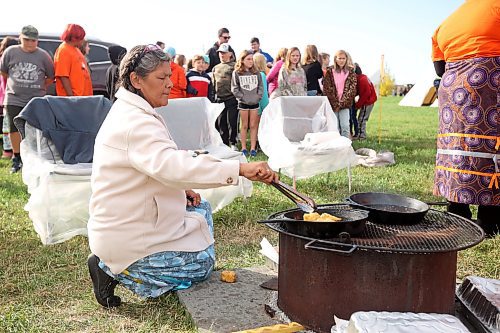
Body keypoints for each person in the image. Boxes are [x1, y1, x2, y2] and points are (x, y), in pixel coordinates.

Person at [86, 44, 278, 308]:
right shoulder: (135, 122)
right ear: (136, 80)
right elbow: (172, 165)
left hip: (136, 220)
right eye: (161, 78)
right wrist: (239, 169)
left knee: (201, 210)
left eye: (170, 76)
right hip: (126, 235)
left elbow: (154, 165)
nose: (170, 83)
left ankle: (119, 261)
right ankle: (112, 268)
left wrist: (182, 189)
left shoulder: (133, 112)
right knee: (202, 266)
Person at [431, 0, 499, 236]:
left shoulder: (448, 22)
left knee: (457, 147)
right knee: (491, 146)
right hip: (489, 78)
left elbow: (439, 68)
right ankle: (490, 219)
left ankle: (457, 212)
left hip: (452, 87)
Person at [0, 26, 54, 173]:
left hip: (35, 98)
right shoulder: (10, 52)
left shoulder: (43, 56)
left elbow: (50, 77)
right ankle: (16, 158)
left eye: (33, 40)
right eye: (26, 40)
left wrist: (37, 87)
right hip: (14, 98)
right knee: (13, 128)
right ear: (20, 38)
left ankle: (35, 157)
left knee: (36, 128)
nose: (30, 43)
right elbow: (4, 72)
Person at [231, 50, 263, 157]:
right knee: (244, 125)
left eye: (252, 59)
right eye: (248, 59)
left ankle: (253, 148)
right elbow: (234, 88)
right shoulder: (236, 73)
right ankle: (244, 147)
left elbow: (260, 87)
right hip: (243, 103)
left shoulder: (256, 72)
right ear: (242, 60)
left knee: (253, 125)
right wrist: (242, 97)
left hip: (254, 103)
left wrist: (257, 97)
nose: (251, 61)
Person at [323, 50, 357, 138]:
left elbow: (352, 89)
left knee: (345, 126)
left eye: (343, 58)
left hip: (345, 104)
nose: (341, 60)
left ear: (346, 59)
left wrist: (342, 103)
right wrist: (335, 103)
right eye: (339, 58)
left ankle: (345, 145)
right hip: (333, 103)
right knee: (335, 126)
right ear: (336, 59)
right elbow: (327, 88)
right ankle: (336, 146)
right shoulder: (330, 71)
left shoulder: (351, 72)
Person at [54, 24, 92, 96]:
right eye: (81, 38)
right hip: (72, 100)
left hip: (82, 98)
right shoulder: (63, 50)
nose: (83, 40)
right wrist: (71, 98)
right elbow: (63, 76)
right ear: (74, 38)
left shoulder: (75, 49)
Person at [212, 43, 238, 149]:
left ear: (230, 54)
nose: (222, 55)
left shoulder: (235, 66)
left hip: (232, 97)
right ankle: (224, 143)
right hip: (219, 98)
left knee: (232, 121)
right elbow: (213, 83)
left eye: (224, 52)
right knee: (221, 122)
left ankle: (233, 142)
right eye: (220, 53)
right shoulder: (215, 68)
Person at [0, 36, 17, 159]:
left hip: (4, 97)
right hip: (10, 97)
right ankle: (9, 150)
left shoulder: (3, 61)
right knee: (11, 126)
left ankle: (7, 150)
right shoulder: (11, 62)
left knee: (8, 126)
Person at [353, 63, 377, 140]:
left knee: (362, 119)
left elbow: (365, 93)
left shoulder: (362, 79)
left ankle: (362, 136)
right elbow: (359, 91)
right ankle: (360, 135)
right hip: (367, 101)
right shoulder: (363, 78)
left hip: (368, 102)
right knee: (361, 118)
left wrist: (358, 105)